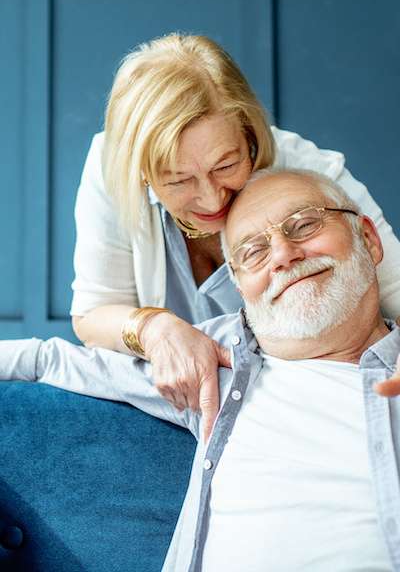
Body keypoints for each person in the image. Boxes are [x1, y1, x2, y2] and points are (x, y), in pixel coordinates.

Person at [2, 168, 400, 571]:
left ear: (367, 238)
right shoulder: (214, 361)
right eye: (253, 251)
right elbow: (45, 362)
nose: (283, 254)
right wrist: (153, 329)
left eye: (304, 224)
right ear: (241, 288)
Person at [71, 33, 400, 439]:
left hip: (295, 408)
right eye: (178, 180)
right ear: (144, 174)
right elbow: (92, 315)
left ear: (249, 135)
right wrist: (155, 329)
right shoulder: (111, 171)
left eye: (226, 165)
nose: (211, 199)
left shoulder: (310, 173)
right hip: (177, 410)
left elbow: (396, 289)